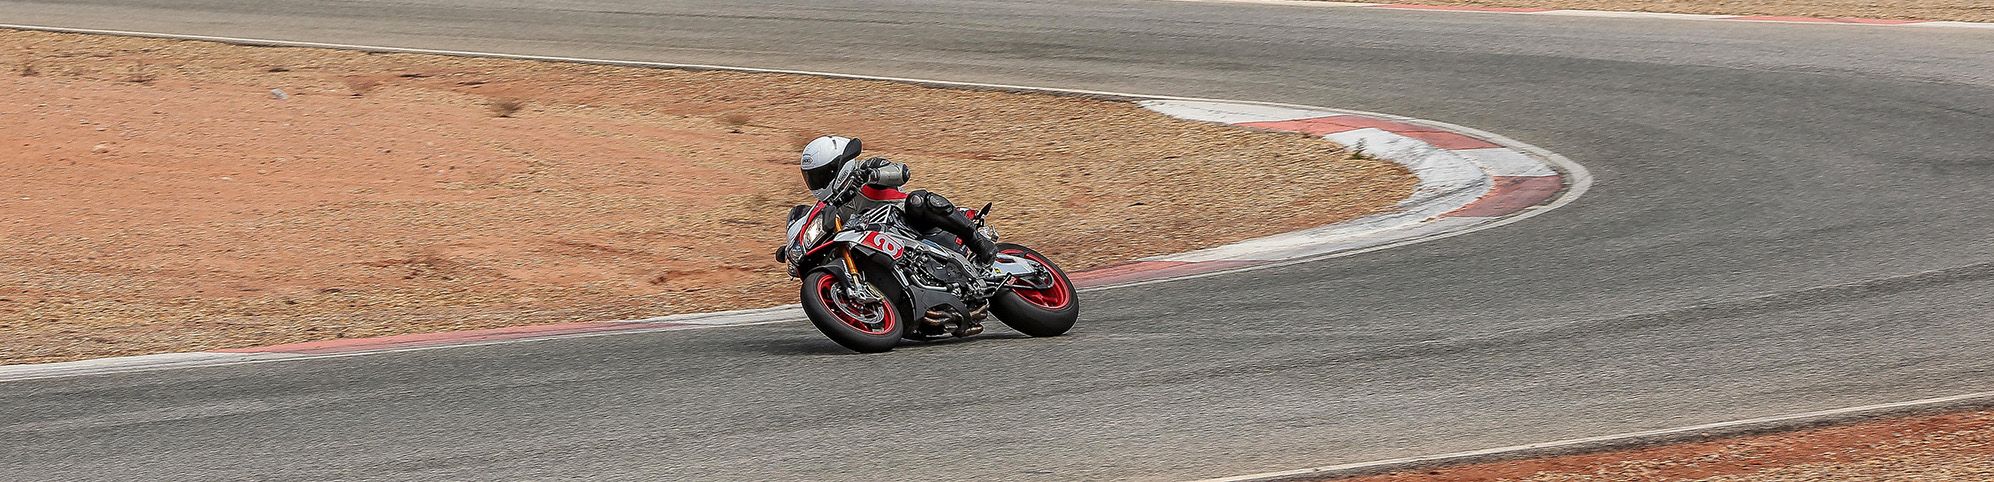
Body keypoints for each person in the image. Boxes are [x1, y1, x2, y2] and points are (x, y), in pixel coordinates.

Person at [798, 135, 997, 264]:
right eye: (812, 177)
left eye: (822, 175)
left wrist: (871, 175)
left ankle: (976, 240)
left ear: (837, 166)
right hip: (884, 247)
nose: (817, 182)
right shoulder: (831, 207)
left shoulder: (864, 170)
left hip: (913, 224)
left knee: (917, 201)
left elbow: (902, 172)